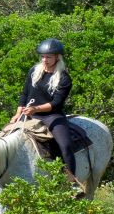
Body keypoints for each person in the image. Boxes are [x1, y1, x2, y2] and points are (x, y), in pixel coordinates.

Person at [10, 38, 76, 176]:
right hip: (29, 113)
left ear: (57, 57)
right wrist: (17, 114)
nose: (45, 60)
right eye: (43, 56)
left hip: (52, 115)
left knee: (65, 145)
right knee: (6, 137)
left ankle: (71, 180)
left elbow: (56, 103)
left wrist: (36, 109)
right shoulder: (34, 71)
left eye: (48, 57)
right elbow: (25, 94)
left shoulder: (64, 78)